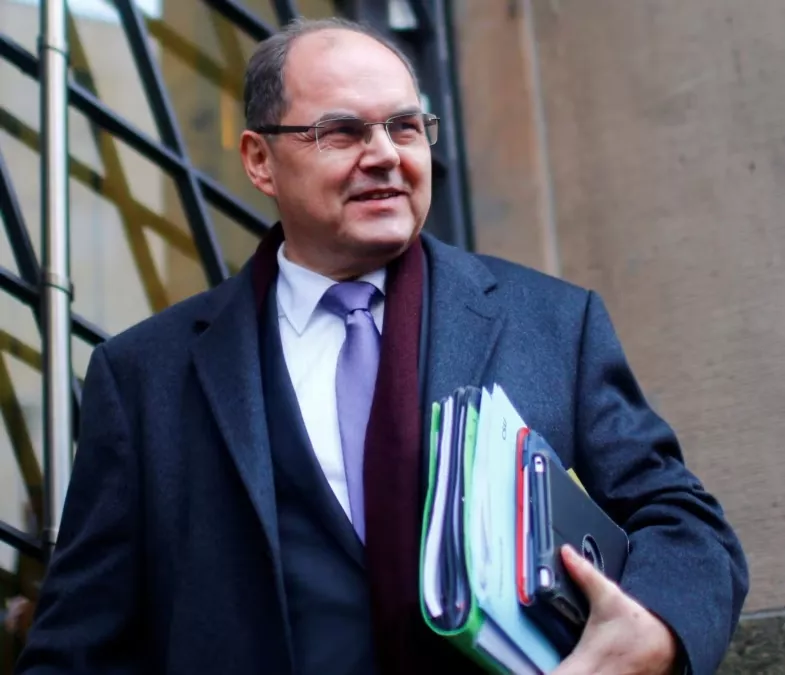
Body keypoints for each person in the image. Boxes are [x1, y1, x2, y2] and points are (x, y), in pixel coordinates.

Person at [16, 16, 747, 675]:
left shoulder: (553, 322)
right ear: (260, 160)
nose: (385, 155)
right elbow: (79, 645)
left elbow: (685, 523)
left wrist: (650, 633)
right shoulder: (143, 376)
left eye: (404, 126)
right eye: (341, 132)